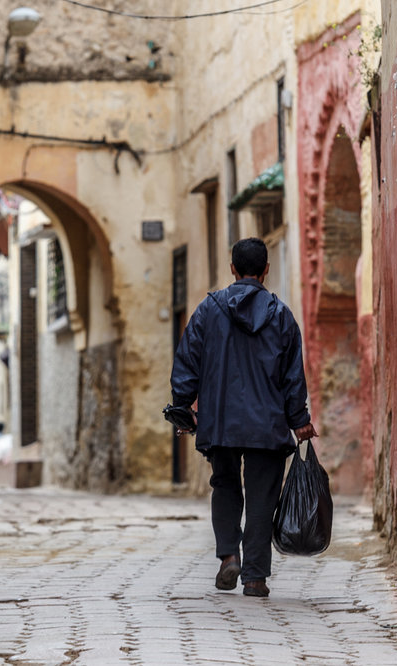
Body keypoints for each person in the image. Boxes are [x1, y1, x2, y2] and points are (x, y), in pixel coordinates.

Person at [169, 237, 317, 598]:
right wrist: (299, 419)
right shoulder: (281, 315)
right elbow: (292, 376)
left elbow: (187, 361)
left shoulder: (208, 310)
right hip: (267, 424)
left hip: (220, 421)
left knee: (225, 486)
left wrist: (183, 406)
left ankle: (227, 557)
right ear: (266, 270)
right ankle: (255, 577)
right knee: (263, 496)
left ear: (232, 268)